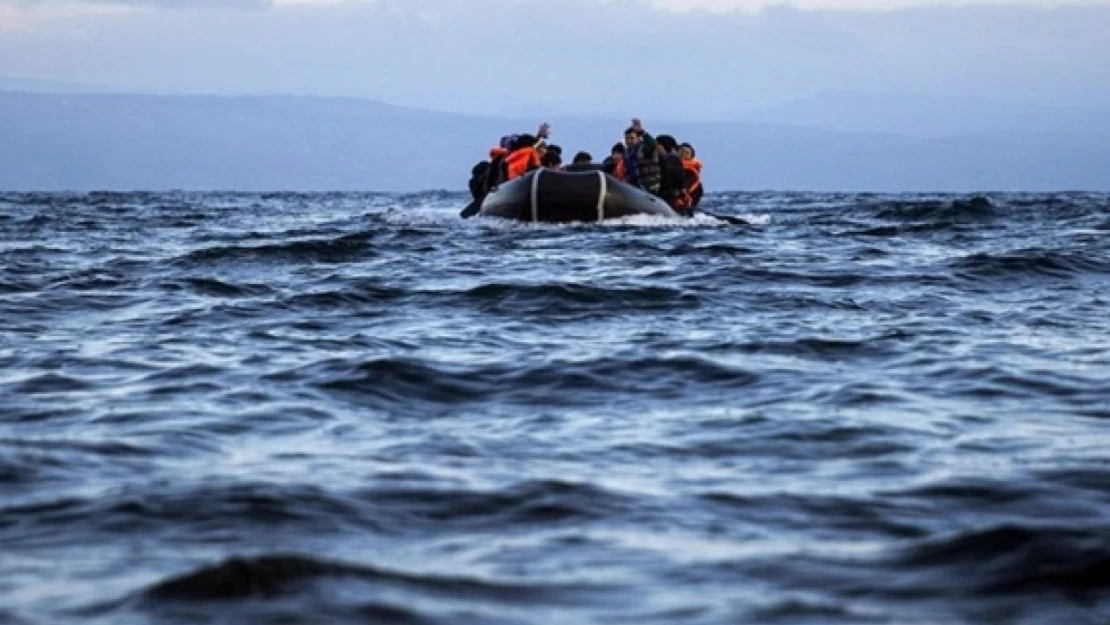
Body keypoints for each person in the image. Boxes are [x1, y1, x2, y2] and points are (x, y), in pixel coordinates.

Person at [619, 118, 661, 195]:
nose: (629, 141)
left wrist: (642, 132)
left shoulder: (643, 148)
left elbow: (653, 145)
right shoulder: (626, 154)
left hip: (650, 186)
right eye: (627, 138)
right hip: (635, 187)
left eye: (632, 138)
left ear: (638, 138)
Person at [655, 134, 689, 214]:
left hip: (669, 197)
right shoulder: (671, 160)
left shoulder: (671, 160)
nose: (654, 148)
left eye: (657, 145)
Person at [678, 142, 704, 212]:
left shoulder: (691, 171)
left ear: (691, 156)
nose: (683, 154)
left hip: (690, 195)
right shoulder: (675, 165)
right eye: (681, 151)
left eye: (687, 153)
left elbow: (687, 184)